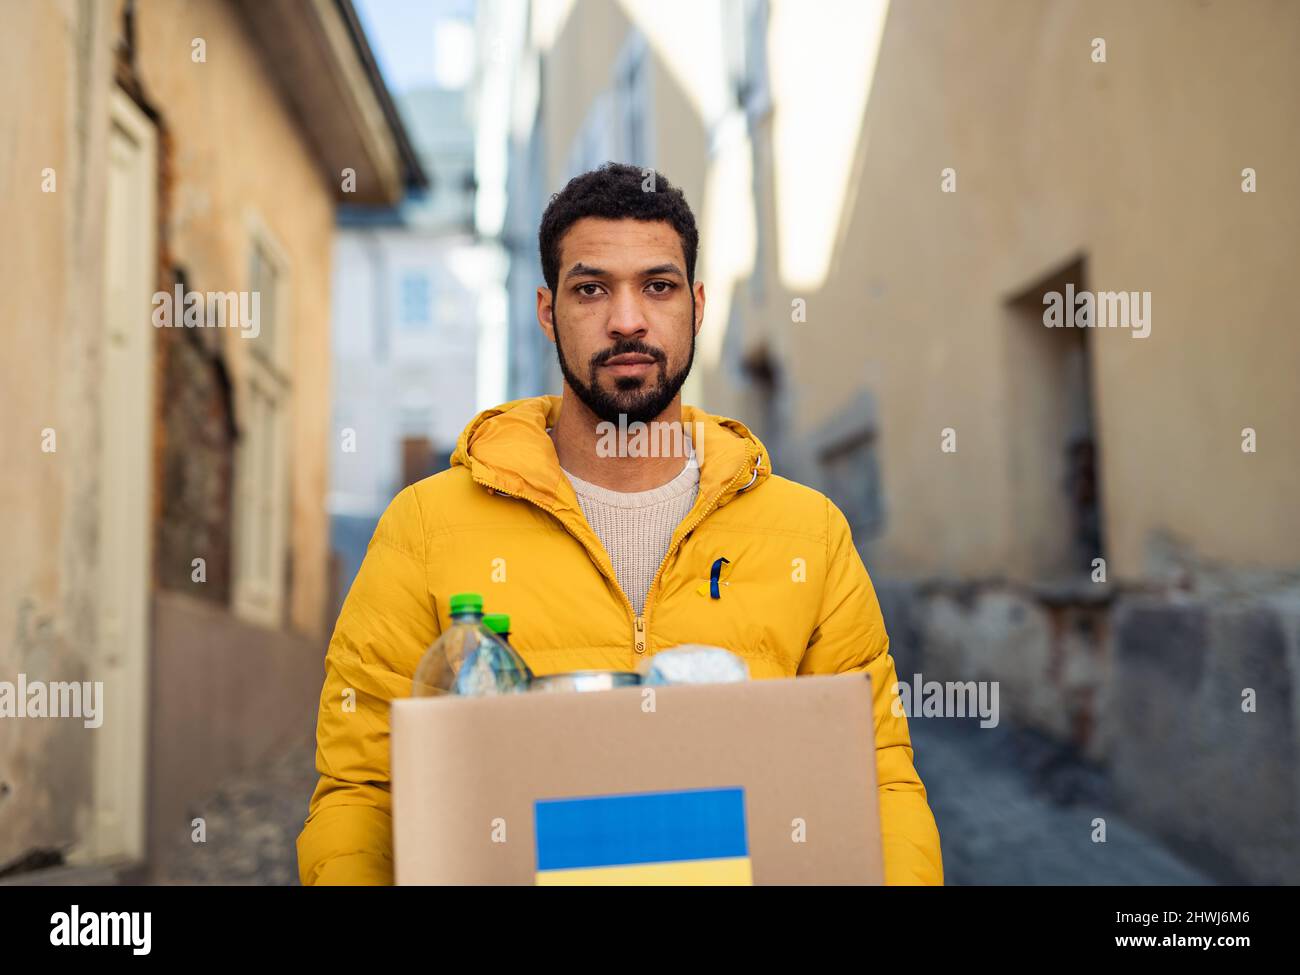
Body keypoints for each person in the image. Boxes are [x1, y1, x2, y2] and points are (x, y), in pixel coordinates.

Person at [297, 162, 943, 885]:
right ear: (547, 311)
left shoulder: (810, 535)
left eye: (658, 286)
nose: (627, 319)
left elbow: (878, 776)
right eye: (592, 288)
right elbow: (364, 791)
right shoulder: (425, 527)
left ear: (696, 305)